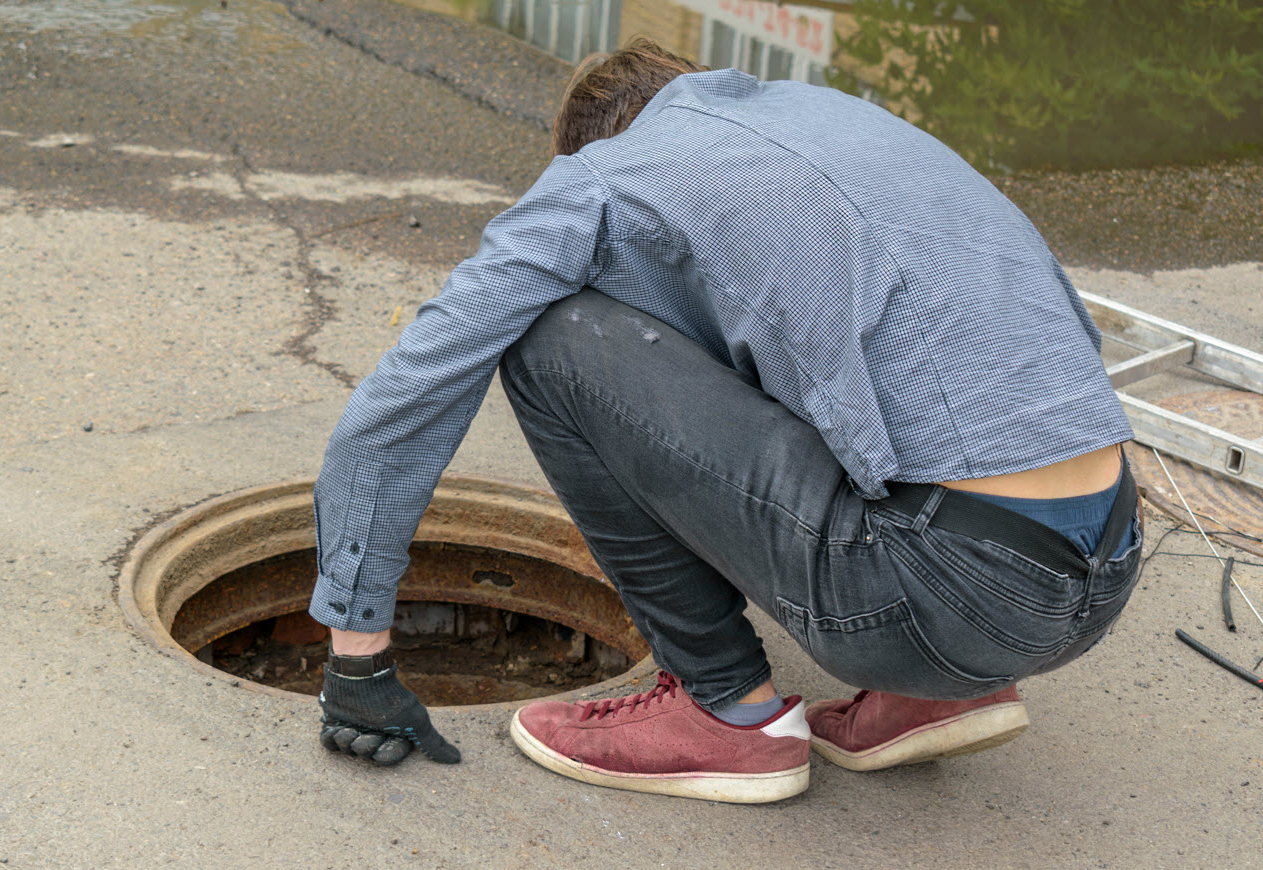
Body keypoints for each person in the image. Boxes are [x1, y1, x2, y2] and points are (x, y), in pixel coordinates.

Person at [311, 39, 1142, 802]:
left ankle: (725, 714)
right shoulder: (833, 116)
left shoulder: (600, 177)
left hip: (943, 598)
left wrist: (357, 652)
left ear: (594, 141)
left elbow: (411, 390)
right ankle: (930, 692)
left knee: (546, 334)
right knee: (817, 337)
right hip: (1104, 567)